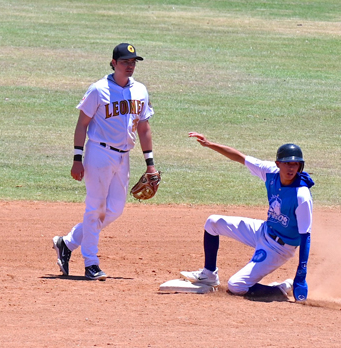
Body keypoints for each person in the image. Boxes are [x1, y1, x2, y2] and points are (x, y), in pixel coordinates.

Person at [52, 43, 157, 280]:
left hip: (124, 156)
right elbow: (82, 124)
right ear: (113, 63)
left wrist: (150, 163)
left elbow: (143, 127)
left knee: (115, 209)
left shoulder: (140, 90)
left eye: (133, 62)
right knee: (95, 208)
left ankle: (67, 243)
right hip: (98, 153)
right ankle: (91, 263)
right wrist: (77, 158)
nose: (129, 66)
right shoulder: (98, 90)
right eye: (125, 62)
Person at [181, 132, 314, 301]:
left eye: (296, 164)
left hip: (280, 248)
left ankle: (280, 289)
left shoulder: (301, 195)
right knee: (213, 222)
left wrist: (301, 274)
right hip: (264, 230)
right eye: (287, 164)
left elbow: (306, 236)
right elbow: (239, 157)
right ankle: (209, 274)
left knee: (236, 286)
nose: (291, 168)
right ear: (278, 164)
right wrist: (209, 144)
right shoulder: (270, 172)